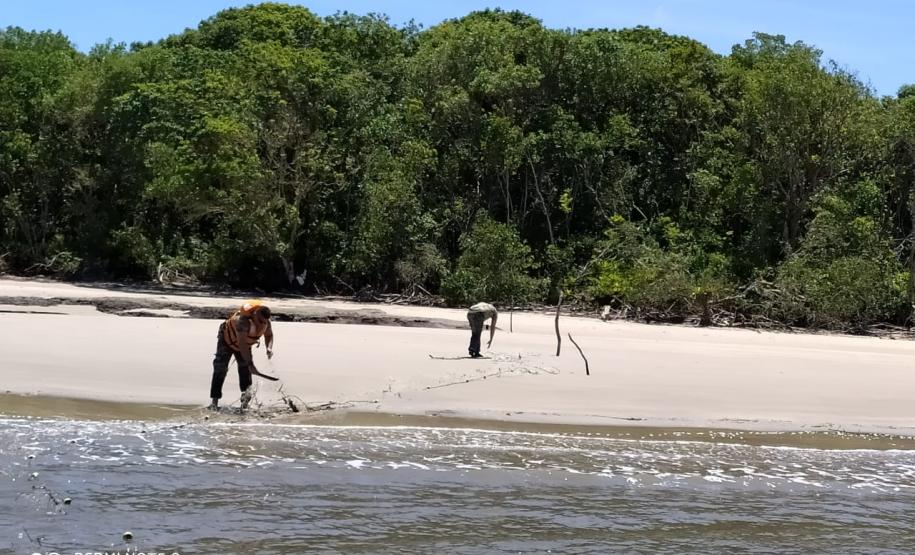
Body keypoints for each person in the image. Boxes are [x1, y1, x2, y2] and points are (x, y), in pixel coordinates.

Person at [209, 300, 275, 411]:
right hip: (227, 340)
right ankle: (214, 402)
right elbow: (242, 345)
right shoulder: (242, 322)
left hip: (244, 344)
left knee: (245, 371)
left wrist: (269, 348)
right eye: (259, 321)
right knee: (220, 368)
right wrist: (251, 364)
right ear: (254, 315)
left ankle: (245, 404)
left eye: (264, 322)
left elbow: (269, 335)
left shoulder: (266, 322)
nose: (261, 324)